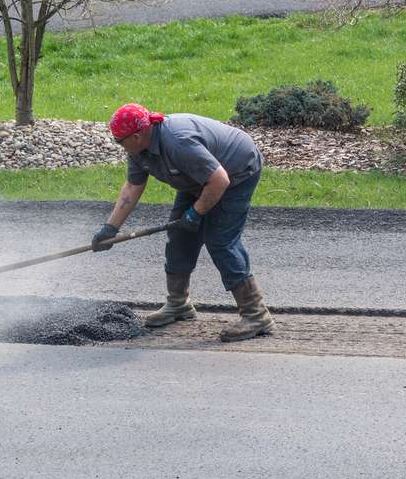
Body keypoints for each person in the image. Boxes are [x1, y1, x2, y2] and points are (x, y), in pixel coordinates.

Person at [92, 103, 273, 342]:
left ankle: (256, 315)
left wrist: (196, 213)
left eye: (120, 141)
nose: (119, 146)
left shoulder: (178, 142)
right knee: (179, 236)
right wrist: (111, 228)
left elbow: (219, 180)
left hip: (236, 170)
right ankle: (179, 304)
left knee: (220, 241)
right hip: (197, 178)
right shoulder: (138, 150)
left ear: (137, 136)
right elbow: (133, 186)